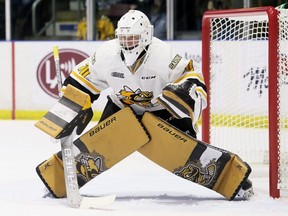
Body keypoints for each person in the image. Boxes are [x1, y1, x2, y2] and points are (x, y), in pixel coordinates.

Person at [35, 10, 253, 201]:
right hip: (121, 108)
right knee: (94, 150)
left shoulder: (164, 55)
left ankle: (234, 181)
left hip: (162, 111)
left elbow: (193, 75)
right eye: (123, 37)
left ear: (146, 36)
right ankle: (57, 180)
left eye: (133, 38)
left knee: (190, 155)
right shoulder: (106, 54)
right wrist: (72, 104)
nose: (127, 42)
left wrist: (183, 94)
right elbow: (82, 78)